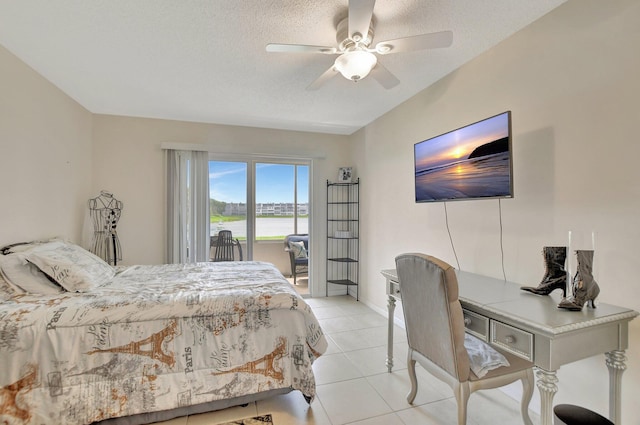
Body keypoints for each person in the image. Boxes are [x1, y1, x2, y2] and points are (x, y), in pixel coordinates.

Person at [88, 191, 123, 265]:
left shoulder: (118, 203)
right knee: (98, 264)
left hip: (113, 238)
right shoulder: (94, 202)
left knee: (113, 265)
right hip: (99, 239)